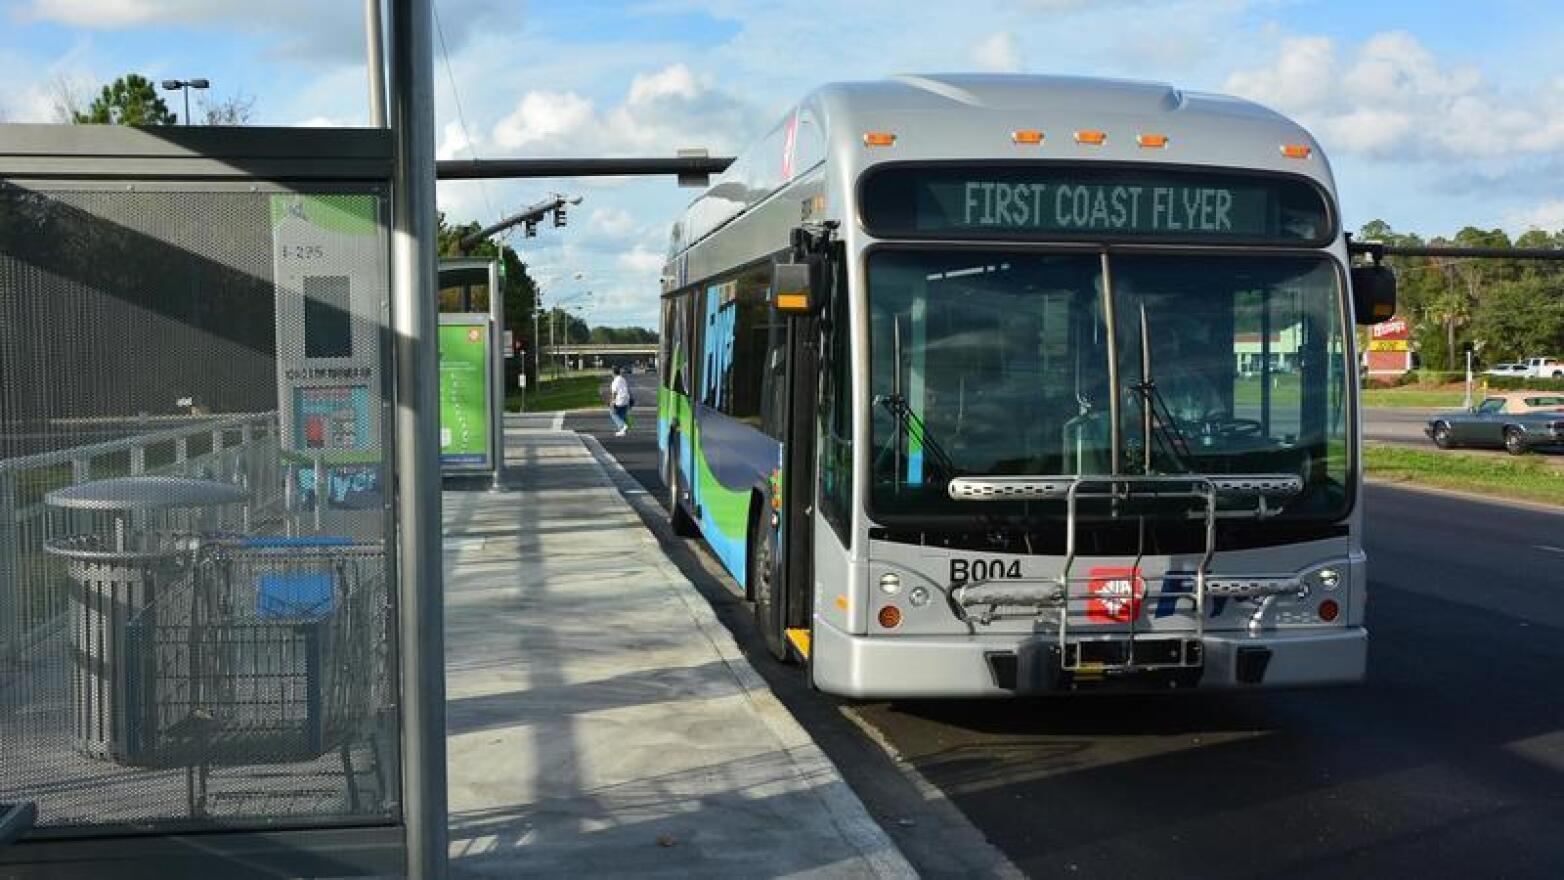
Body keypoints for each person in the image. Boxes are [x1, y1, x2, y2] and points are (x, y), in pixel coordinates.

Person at [608, 366, 633, 436]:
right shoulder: (623, 379)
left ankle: (623, 426)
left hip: (619, 400)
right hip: (626, 399)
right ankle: (622, 431)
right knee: (622, 414)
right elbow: (627, 389)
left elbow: (614, 393)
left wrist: (612, 402)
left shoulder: (615, 381)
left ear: (613, 373)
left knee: (613, 413)